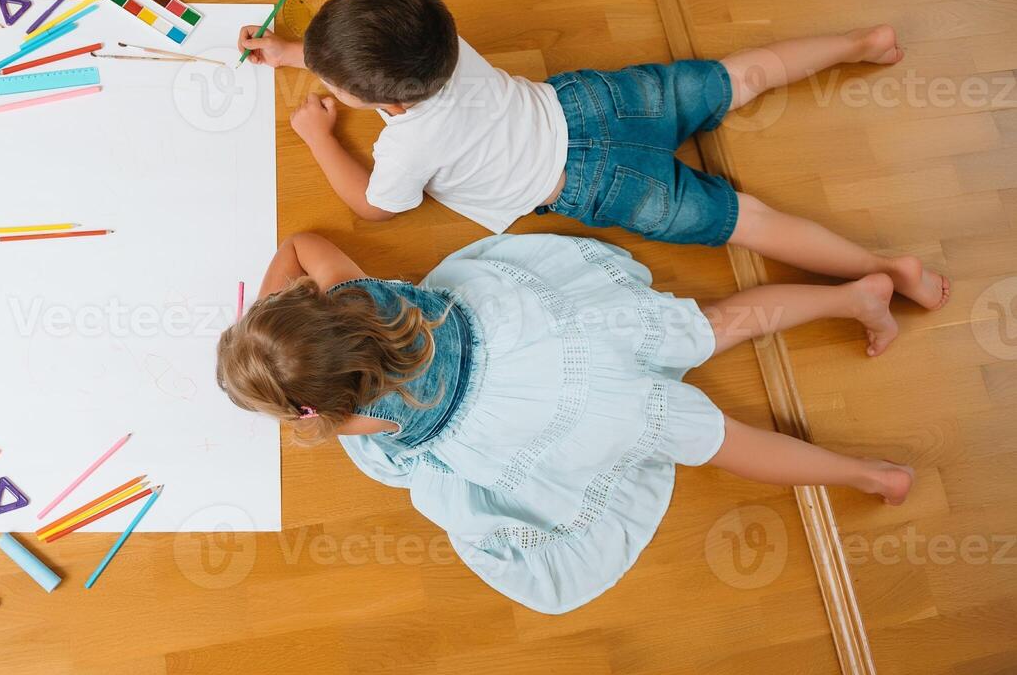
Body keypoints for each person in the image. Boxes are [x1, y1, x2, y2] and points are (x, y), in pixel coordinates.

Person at [216, 232, 914, 613]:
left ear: (315, 410)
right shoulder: (356, 292)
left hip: (551, 413)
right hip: (542, 331)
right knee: (710, 324)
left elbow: (372, 445)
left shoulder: (351, 420)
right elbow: (303, 242)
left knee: (720, 442)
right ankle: (854, 294)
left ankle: (872, 476)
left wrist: (308, 407)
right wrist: (276, 301)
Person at [239, 0, 948, 311]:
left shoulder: (407, 149)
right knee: (740, 75)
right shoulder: (442, 42)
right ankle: (866, 41)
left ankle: (890, 268)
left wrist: (319, 136)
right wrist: (295, 52)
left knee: (748, 222)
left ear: (381, 102)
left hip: (599, 186)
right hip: (594, 105)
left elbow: (371, 207)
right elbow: (375, 62)